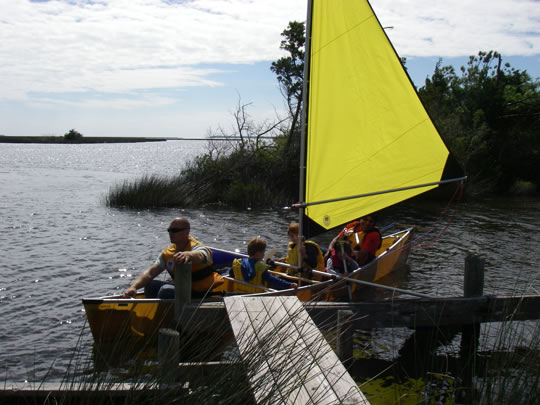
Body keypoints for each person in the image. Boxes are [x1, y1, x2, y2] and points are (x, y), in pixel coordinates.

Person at [122, 217, 224, 299]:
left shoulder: (197, 247)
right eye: (169, 230)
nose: (171, 233)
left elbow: (201, 255)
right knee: (150, 286)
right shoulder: (168, 253)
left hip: (200, 294)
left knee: (166, 291)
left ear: (186, 232)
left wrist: (188, 255)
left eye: (175, 230)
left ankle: (175, 321)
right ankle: (157, 319)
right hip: (181, 289)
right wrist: (133, 287)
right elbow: (150, 272)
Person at [231, 237, 297, 293]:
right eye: (263, 252)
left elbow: (231, 273)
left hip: (239, 291)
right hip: (256, 295)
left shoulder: (238, 262)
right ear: (257, 253)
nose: (264, 254)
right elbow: (272, 280)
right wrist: (289, 285)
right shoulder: (260, 267)